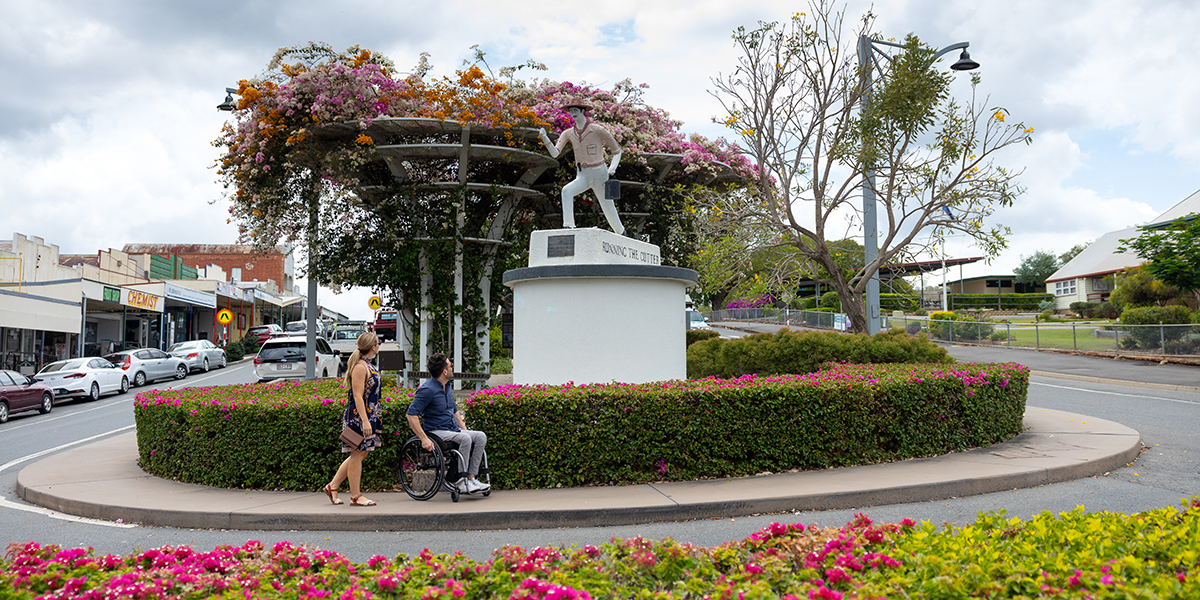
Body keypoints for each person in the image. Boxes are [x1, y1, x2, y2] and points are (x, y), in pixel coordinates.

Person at [406, 353, 489, 493]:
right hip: (436, 431)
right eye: (450, 365)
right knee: (465, 438)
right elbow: (411, 414)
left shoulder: (447, 386)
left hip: (452, 429)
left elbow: (454, 410)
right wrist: (423, 438)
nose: (452, 368)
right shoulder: (427, 390)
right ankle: (460, 482)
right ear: (444, 371)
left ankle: (471, 478)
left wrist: (465, 428)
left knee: (480, 436)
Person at [538, 100, 625, 235]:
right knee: (566, 191)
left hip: (599, 172)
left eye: (575, 111)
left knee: (607, 206)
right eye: (571, 111)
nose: (573, 113)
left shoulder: (597, 129)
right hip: (582, 174)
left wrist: (612, 168)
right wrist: (545, 138)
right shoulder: (568, 133)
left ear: (583, 111)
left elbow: (617, 151)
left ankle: (621, 233)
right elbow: (555, 153)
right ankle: (568, 227)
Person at [324, 331, 382, 506]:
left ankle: (332, 486)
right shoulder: (360, 367)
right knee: (357, 454)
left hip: (368, 415)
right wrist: (365, 420)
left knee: (360, 453)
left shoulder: (367, 364)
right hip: (358, 417)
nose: (379, 345)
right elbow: (357, 396)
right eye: (378, 343)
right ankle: (355, 496)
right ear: (372, 347)